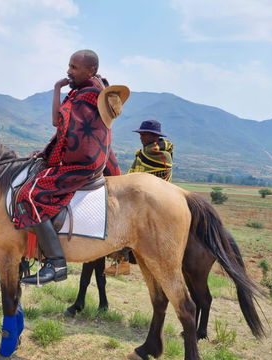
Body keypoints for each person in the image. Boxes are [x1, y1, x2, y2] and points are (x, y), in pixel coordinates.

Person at [15, 49, 129, 285]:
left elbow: (59, 123)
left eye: (74, 67)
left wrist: (57, 89)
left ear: (91, 70)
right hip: (97, 159)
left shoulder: (88, 95)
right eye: (69, 66)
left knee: (29, 195)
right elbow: (65, 128)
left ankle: (56, 263)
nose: (69, 71)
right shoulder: (92, 90)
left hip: (82, 164)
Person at [104, 119, 173, 276]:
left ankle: (123, 260)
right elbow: (134, 176)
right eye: (141, 134)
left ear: (155, 136)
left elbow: (152, 180)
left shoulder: (162, 156)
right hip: (139, 196)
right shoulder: (142, 154)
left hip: (154, 198)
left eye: (145, 134)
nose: (141, 137)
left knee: (124, 221)